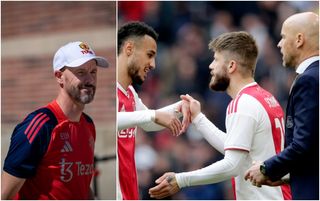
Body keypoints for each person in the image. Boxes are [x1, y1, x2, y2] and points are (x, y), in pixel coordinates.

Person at [148, 31, 292, 200]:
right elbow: (238, 149)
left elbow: (232, 165)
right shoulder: (265, 97)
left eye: (216, 60)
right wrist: (198, 118)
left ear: (231, 66)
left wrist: (181, 180)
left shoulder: (242, 103)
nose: (211, 66)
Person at [1, 41, 109, 199]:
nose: (90, 80)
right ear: (59, 77)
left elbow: (81, 186)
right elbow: (4, 194)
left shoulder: (88, 124)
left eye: (93, 72)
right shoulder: (40, 125)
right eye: (81, 72)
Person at [244, 12, 319, 200]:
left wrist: (266, 168)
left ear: (299, 39)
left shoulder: (309, 80)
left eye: (284, 37)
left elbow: (303, 145)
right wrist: (287, 176)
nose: (279, 44)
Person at [117, 21, 190, 200]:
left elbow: (149, 123)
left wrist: (181, 107)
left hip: (130, 192)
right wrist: (152, 114)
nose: (153, 64)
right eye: (149, 55)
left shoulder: (130, 93)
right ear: (129, 49)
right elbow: (115, 119)